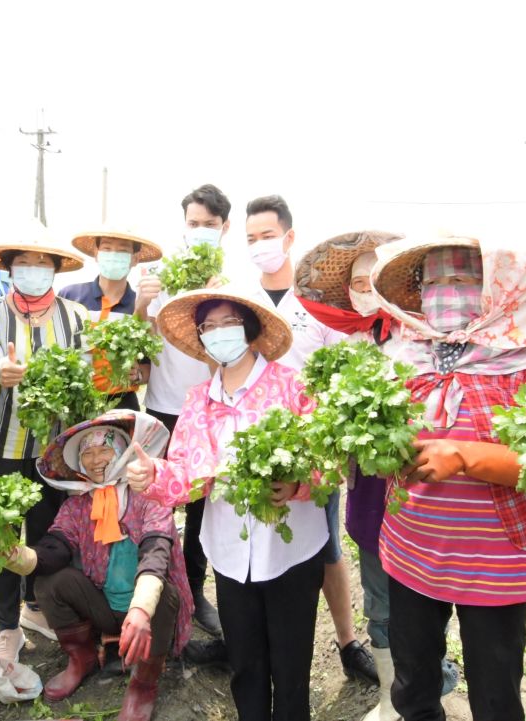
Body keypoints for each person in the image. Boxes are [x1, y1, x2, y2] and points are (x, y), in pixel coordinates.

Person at [370, 237, 526, 721]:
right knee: (413, 688)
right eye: (433, 282)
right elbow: (372, 444)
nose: (445, 292)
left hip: (493, 561)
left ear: (489, 291)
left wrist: (464, 456)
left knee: (495, 695)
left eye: (459, 281)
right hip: (411, 550)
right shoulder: (403, 361)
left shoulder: (523, 364)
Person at [127, 287, 327, 721]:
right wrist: (153, 475)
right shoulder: (199, 401)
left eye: (228, 323)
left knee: (291, 665)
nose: (219, 334)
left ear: (250, 328)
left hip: (293, 551)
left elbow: (329, 461)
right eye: (208, 327)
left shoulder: (293, 386)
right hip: (231, 555)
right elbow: (186, 475)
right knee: (246, 662)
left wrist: (297, 484)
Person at [294, 230, 460, 721]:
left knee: (431, 600)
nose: (365, 287)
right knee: (382, 598)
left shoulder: (429, 339)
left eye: (374, 277)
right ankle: (393, 698)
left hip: (426, 490)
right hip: (371, 494)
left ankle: (428, 679)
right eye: (358, 280)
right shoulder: (350, 344)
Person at [244, 195, 376, 684]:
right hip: (253, 444)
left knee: (326, 549)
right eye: (252, 239)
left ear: (289, 237)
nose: (260, 246)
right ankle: (249, 636)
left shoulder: (319, 304)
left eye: (267, 236)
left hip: (310, 446)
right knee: (249, 539)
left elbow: (341, 377)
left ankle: (346, 641)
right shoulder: (243, 299)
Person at [0, 410, 192, 721]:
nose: (96, 460)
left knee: (165, 594)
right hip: (103, 607)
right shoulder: (77, 506)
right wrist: (17, 555)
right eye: (88, 453)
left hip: (146, 616)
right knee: (48, 583)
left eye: (105, 450)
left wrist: (140, 609)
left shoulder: (148, 498)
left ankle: (143, 682)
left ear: (123, 453)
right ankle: (81, 658)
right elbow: (55, 549)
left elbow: (156, 553)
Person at [0, 230, 90, 650]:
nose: (33, 270)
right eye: (24, 261)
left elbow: (84, 372)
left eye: (43, 263)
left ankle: (36, 607)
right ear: (9, 268)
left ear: (56, 269)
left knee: (45, 531)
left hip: (51, 446)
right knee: (1, 532)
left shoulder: (74, 315)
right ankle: (7, 625)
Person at [135, 183, 231, 637]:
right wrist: (141, 302)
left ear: (224, 228)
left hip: (209, 411)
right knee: (154, 503)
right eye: (193, 224)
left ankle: (194, 591)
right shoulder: (158, 276)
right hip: (160, 406)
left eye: (209, 226)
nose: (200, 231)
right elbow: (137, 343)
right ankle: (151, 592)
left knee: (200, 508)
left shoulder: (230, 281)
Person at [59, 229, 163, 411]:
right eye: (106, 248)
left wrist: (137, 374)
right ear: (96, 254)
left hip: (120, 403)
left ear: (135, 259)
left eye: (122, 251)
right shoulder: (70, 296)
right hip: (73, 400)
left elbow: (149, 365)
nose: (113, 255)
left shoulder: (141, 304)